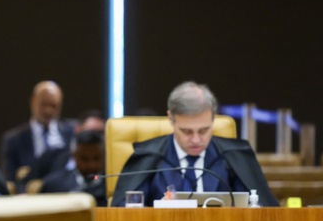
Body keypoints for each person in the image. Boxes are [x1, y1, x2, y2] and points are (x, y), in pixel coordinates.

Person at [111, 81, 279, 207]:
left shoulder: (235, 155)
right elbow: (121, 214)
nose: (197, 140)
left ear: (213, 119)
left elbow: (263, 210)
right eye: (187, 131)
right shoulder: (148, 157)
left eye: (204, 130)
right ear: (171, 119)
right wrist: (156, 211)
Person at [0, 81, 75, 190]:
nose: (48, 110)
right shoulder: (13, 140)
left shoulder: (71, 133)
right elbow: (10, 181)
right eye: (43, 104)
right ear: (32, 102)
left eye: (53, 105)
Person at [40, 130, 107, 206]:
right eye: (84, 159)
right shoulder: (53, 185)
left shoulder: (115, 185)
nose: (91, 165)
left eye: (96, 158)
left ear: (104, 155)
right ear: (73, 156)